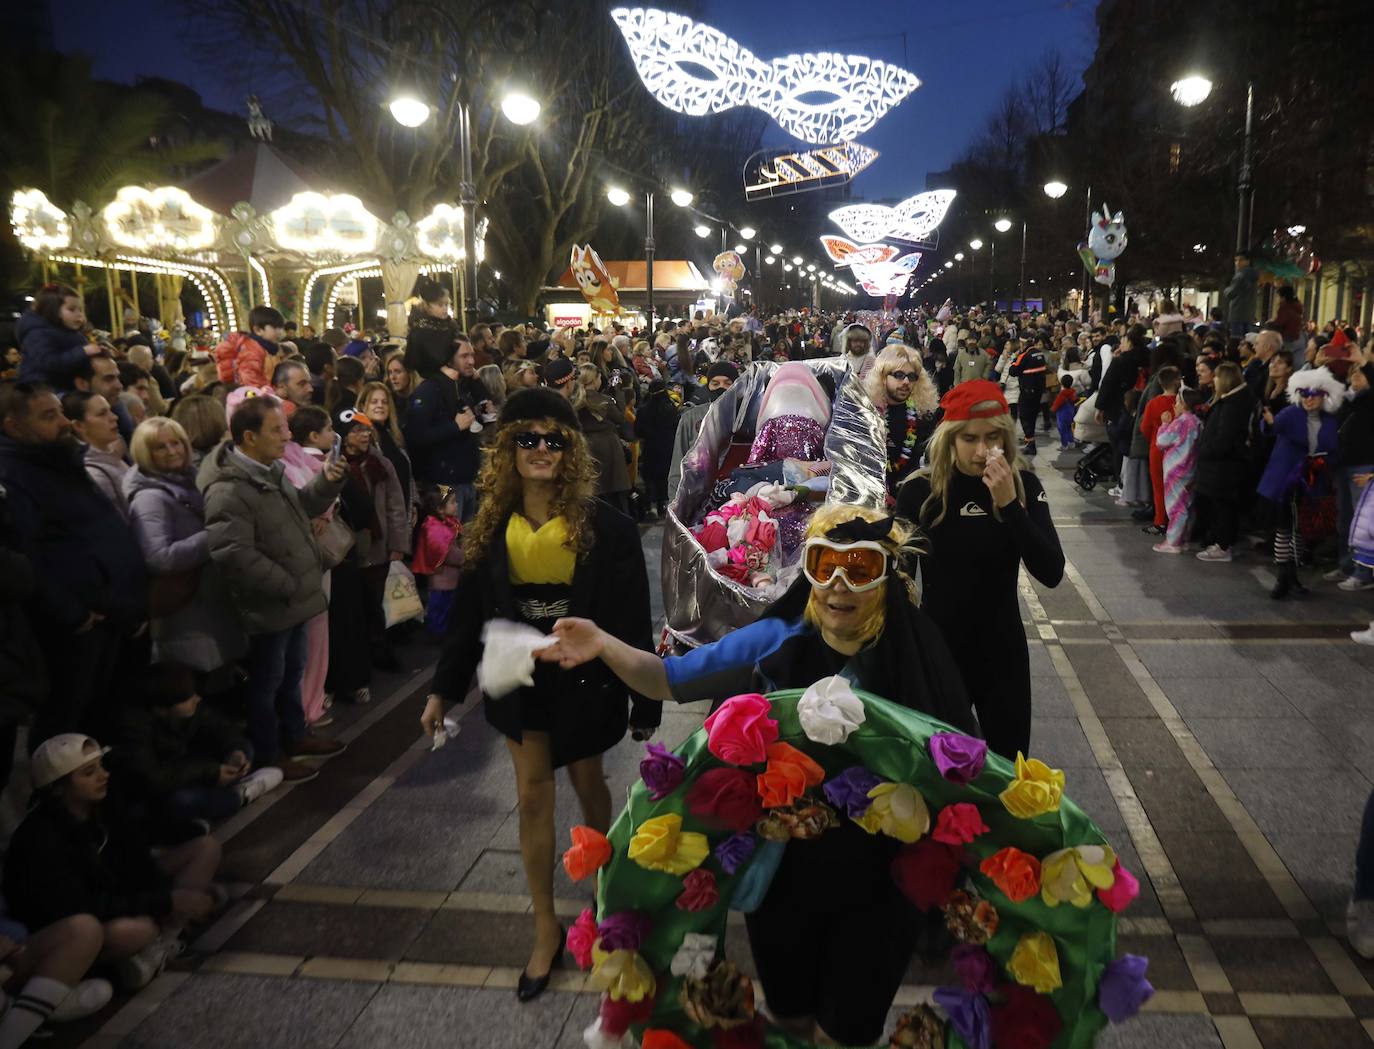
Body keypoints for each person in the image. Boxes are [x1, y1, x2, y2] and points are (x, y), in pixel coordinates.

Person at [536, 504, 975, 1045]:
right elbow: (667, 678)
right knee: (787, 1019)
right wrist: (602, 645)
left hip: (883, 882)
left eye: (859, 568)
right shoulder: (776, 639)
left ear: (886, 577)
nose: (838, 584)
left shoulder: (918, 653)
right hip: (785, 871)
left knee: (848, 1029)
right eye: (823, 564)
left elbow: (965, 764)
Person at [419, 388, 659, 1003]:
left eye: (555, 439)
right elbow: (469, 614)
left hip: (585, 680)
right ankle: (544, 926)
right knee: (531, 798)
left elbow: (632, 618)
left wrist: (646, 699)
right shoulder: (489, 526)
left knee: (587, 783)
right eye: (528, 438)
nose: (542, 450)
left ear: (572, 449)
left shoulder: (611, 527)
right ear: (508, 449)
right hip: (517, 679)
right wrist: (444, 690)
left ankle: (607, 895)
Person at [895, 380, 1064, 759]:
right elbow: (899, 579)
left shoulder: (1024, 486)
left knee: (1008, 768)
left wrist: (1010, 506)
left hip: (1002, 653)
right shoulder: (920, 493)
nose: (983, 450)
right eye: (970, 438)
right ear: (950, 439)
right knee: (942, 771)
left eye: (993, 438)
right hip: (940, 651)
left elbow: (1051, 571)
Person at [199, 394, 347, 782]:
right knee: (266, 683)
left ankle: (295, 736)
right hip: (270, 604)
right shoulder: (229, 489)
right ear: (249, 436)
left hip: (293, 598)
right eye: (277, 429)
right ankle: (270, 752)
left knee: (291, 673)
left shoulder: (271, 469)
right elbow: (233, 553)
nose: (287, 436)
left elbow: (300, 507)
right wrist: (287, 582)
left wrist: (326, 484)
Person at [4, 734, 223, 991]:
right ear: (58, 788)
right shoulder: (42, 837)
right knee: (136, 930)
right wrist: (166, 901)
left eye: (101, 767)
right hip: (70, 928)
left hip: (117, 895)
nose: (103, 775)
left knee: (204, 849)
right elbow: (81, 907)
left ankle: (166, 939)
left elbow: (136, 858)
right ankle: (139, 950)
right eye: (89, 772)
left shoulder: (102, 806)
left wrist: (168, 895)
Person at [0, 383, 146, 742]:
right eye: (49, 416)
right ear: (13, 426)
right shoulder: (14, 475)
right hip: (77, 627)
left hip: (110, 612)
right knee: (70, 720)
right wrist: (72, 612)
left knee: (108, 711)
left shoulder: (60, 458)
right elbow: (28, 555)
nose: (65, 422)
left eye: (61, 412)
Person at [122, 417, 246, 675]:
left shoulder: (192, 479)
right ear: (145, 453)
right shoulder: (149, 499)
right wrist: (213, 535)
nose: (171, 451)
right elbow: (159, 558)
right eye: (160, 447)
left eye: (175, 443)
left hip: (209, 598)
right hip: (187, 608)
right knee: (199, 674)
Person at [110, 663, 282, 832]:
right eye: (189, 698)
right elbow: (151, 778)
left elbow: (220, 727)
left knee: (246, 748)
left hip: (192, 767)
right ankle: (240, 795)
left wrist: (234, 751)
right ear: (163, 709)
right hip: (165, 787)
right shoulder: (134, 726)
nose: (197, 699)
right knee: (182, 801)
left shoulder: (191, 707)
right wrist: (211, 771)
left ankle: (214, 800)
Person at [1256, 367, 1343, 598]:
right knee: (1284, 528)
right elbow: (1271, 428)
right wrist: (1269, 423)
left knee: (1300, 530)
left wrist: (1323, 462)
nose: (1309, 399)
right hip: (1285, 479)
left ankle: (1291, 576)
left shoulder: (1330, 420)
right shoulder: (1291, 413)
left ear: (1324, 396)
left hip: (1312, 481)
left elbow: (1334, 450)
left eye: (1314, 394)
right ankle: (1283, 576)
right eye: (1304, 394)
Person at [403, 334, 488, 521]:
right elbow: (415, 436)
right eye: (464, 356)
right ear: (449, 358)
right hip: (444, 484)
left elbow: (484, 415)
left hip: (466, 480)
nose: (471, 361)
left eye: (472, 355)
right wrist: (454, 427)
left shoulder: (462, 385)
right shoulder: (429, 390)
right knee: (446, 541)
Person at [1194, 362, 1256, 563]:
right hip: (1221, 466)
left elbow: (1224, 439)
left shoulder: (1232, 405)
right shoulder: (1233, 401)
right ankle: (1224, 542)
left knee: (1223, 507)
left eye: (1217, 377)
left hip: (1223, 466)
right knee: (1222, 506)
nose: (1214, 380)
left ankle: (1223, 545)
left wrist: (1204, 450)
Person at [865, 344, 940, 493]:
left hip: (910, 495)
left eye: (911, 377)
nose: (906, 382)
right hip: (872, 492)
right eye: (899, 375)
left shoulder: (923, 416)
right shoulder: (867, 412)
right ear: (883, 377)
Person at [1329, 343, 1374, 589]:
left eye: (1361, 373)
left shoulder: (1370, 401)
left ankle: (1363, 572)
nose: (1355, 376)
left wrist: (1366, 362)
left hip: (1364, 466)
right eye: (1353, 372)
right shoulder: (1350, 401)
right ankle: (1346, 564)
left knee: (1364, 523)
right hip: (1344, 464)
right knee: (1345, 519)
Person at [667, 360, 738, 500]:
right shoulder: (691, 418)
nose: (721, 388)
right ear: (708, 386)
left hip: (737, 499)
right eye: (715, 383)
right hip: (698, 498)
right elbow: (678, 465)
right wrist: (674, 504)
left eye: (727, 383)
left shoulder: (746, 418)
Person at [61, 391, 131, 520]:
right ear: (79, 425)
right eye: (102, 414)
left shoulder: (112, 453)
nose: (114, 417)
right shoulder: (94, 474)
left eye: (110, 410)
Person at [1154, 387, 1206, 553]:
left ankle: (1173, 541)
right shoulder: (1197, 422)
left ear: (1184, 405)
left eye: (1177, 402)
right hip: (1191, 469)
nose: (1174, 406)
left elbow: (1161, 441)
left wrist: (1164, 424)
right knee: (1187, 505)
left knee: (1175, 507)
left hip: (1175, 471)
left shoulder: (1181, 422)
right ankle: (1184, 538)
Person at [574, 363, 632, 515]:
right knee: (615, 496)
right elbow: (620, 418)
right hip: (609, 447)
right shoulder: (602, 400)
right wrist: (618, 391)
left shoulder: (574, 400)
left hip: (586, 447)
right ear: (594, 380)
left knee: (595, 492)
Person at [357, 380, 414, 522]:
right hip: (381, 518)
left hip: (404, 512)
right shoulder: (363, 439)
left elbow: (407, 472)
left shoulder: (394, 434)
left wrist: (413, 504)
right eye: (374, 402)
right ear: (363, 406)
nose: (380, 406)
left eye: (384, 402)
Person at [410, 486, 463, 634]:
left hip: (447, 579)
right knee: (440, 608)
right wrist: (464, 557)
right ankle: (436, 634)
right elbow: (444, 551)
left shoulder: (446, 523)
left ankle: (441, 631)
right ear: (440, 509)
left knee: (446, 608)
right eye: (452, 502)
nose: (457, 505)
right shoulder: (435, 527)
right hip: (442, 580)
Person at [1139, 366, 1183, 534]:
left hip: (1157, 449)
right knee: (1178, 487)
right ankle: (1177, 521)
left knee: (1159, 486)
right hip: (1179, 450)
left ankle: (1160, 521)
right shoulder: (1182, 402)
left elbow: (1144, 427)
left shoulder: (1154, 403)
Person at [633, 379, 680, 519]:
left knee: (651, 478)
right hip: (667, 447)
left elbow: (638, 430)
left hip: (650, 448)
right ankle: (664, 504)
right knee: (664, 476)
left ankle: (652, 505)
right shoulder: (670, 408)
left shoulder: (643, 409)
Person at [214, 306, 284, 389]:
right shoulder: (252, 349)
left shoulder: (264, 348)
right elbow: (250, 378)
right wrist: (269, 391)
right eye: (275, 327)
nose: (280, 332)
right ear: (258, 330)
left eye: (281, 327)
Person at [1007, 336, 1049, 455]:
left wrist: (1014, 359)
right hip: (1038, 391)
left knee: (1025, 416)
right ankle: (1029, 440)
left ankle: (1030, 443)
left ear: (1022, 344)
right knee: (1033, 416)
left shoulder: (1024, 355)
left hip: (1027, 391)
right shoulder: (1039, 354)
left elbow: (1013, 371)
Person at [1223, 250, 1259, 336]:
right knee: (1248, 340)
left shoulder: (1240, 276)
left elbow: (1231, 293)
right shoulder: (1254, 275)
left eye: (1241, 260)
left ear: (1248, 261)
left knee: (1236, 341)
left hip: (1237, 313)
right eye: (1236, 260)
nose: (1238, 263)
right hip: (1249, 314)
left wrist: (1226, 289)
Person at [1272, 284, 1305, 353]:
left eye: (1278, 296)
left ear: (1283, 297)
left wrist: (1271, 323)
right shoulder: (1296, 307)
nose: (1276, 299)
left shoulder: (1285, 308)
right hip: (1296, 337)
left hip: (1285, 338)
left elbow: (1279, 323)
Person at [1051, 374, 1078, 450]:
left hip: (1062, 414)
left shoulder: (1062, 393)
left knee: (1062, 429)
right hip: (1071, 412)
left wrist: (1052, 410)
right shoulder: (1073, 392)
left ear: (1061, 383)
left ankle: (1064, 445)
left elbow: (1057, 403)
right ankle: (1071, 443)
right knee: (1069, 428)